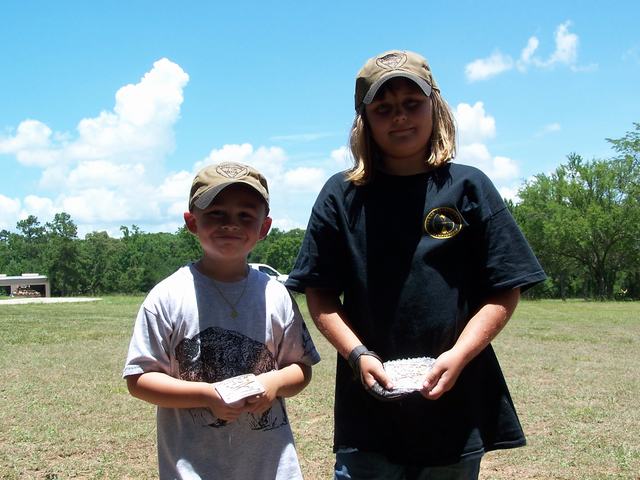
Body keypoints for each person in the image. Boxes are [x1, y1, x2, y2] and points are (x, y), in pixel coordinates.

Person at [285, 49, 547, 479]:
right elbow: (321, 294)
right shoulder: (341, 195)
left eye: (412, 103)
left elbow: (504, 288)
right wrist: (358, 355)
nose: (400, 117)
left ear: (435, 106)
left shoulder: (469, 187)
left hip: (455, 405)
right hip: (368, 414)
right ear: (364, 120)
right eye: (383, 108)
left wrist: (459, 355)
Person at [123, 161, 320, 480]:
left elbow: (301, 368)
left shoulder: (276, 295)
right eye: (216, 213)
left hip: (271, 468)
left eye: (245, 215)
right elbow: (139, 379)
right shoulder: (167, 297)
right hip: (192, 468)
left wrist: (273, 383)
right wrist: (207, 395)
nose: (231, 224)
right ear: (191, 221)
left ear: (264, 227)